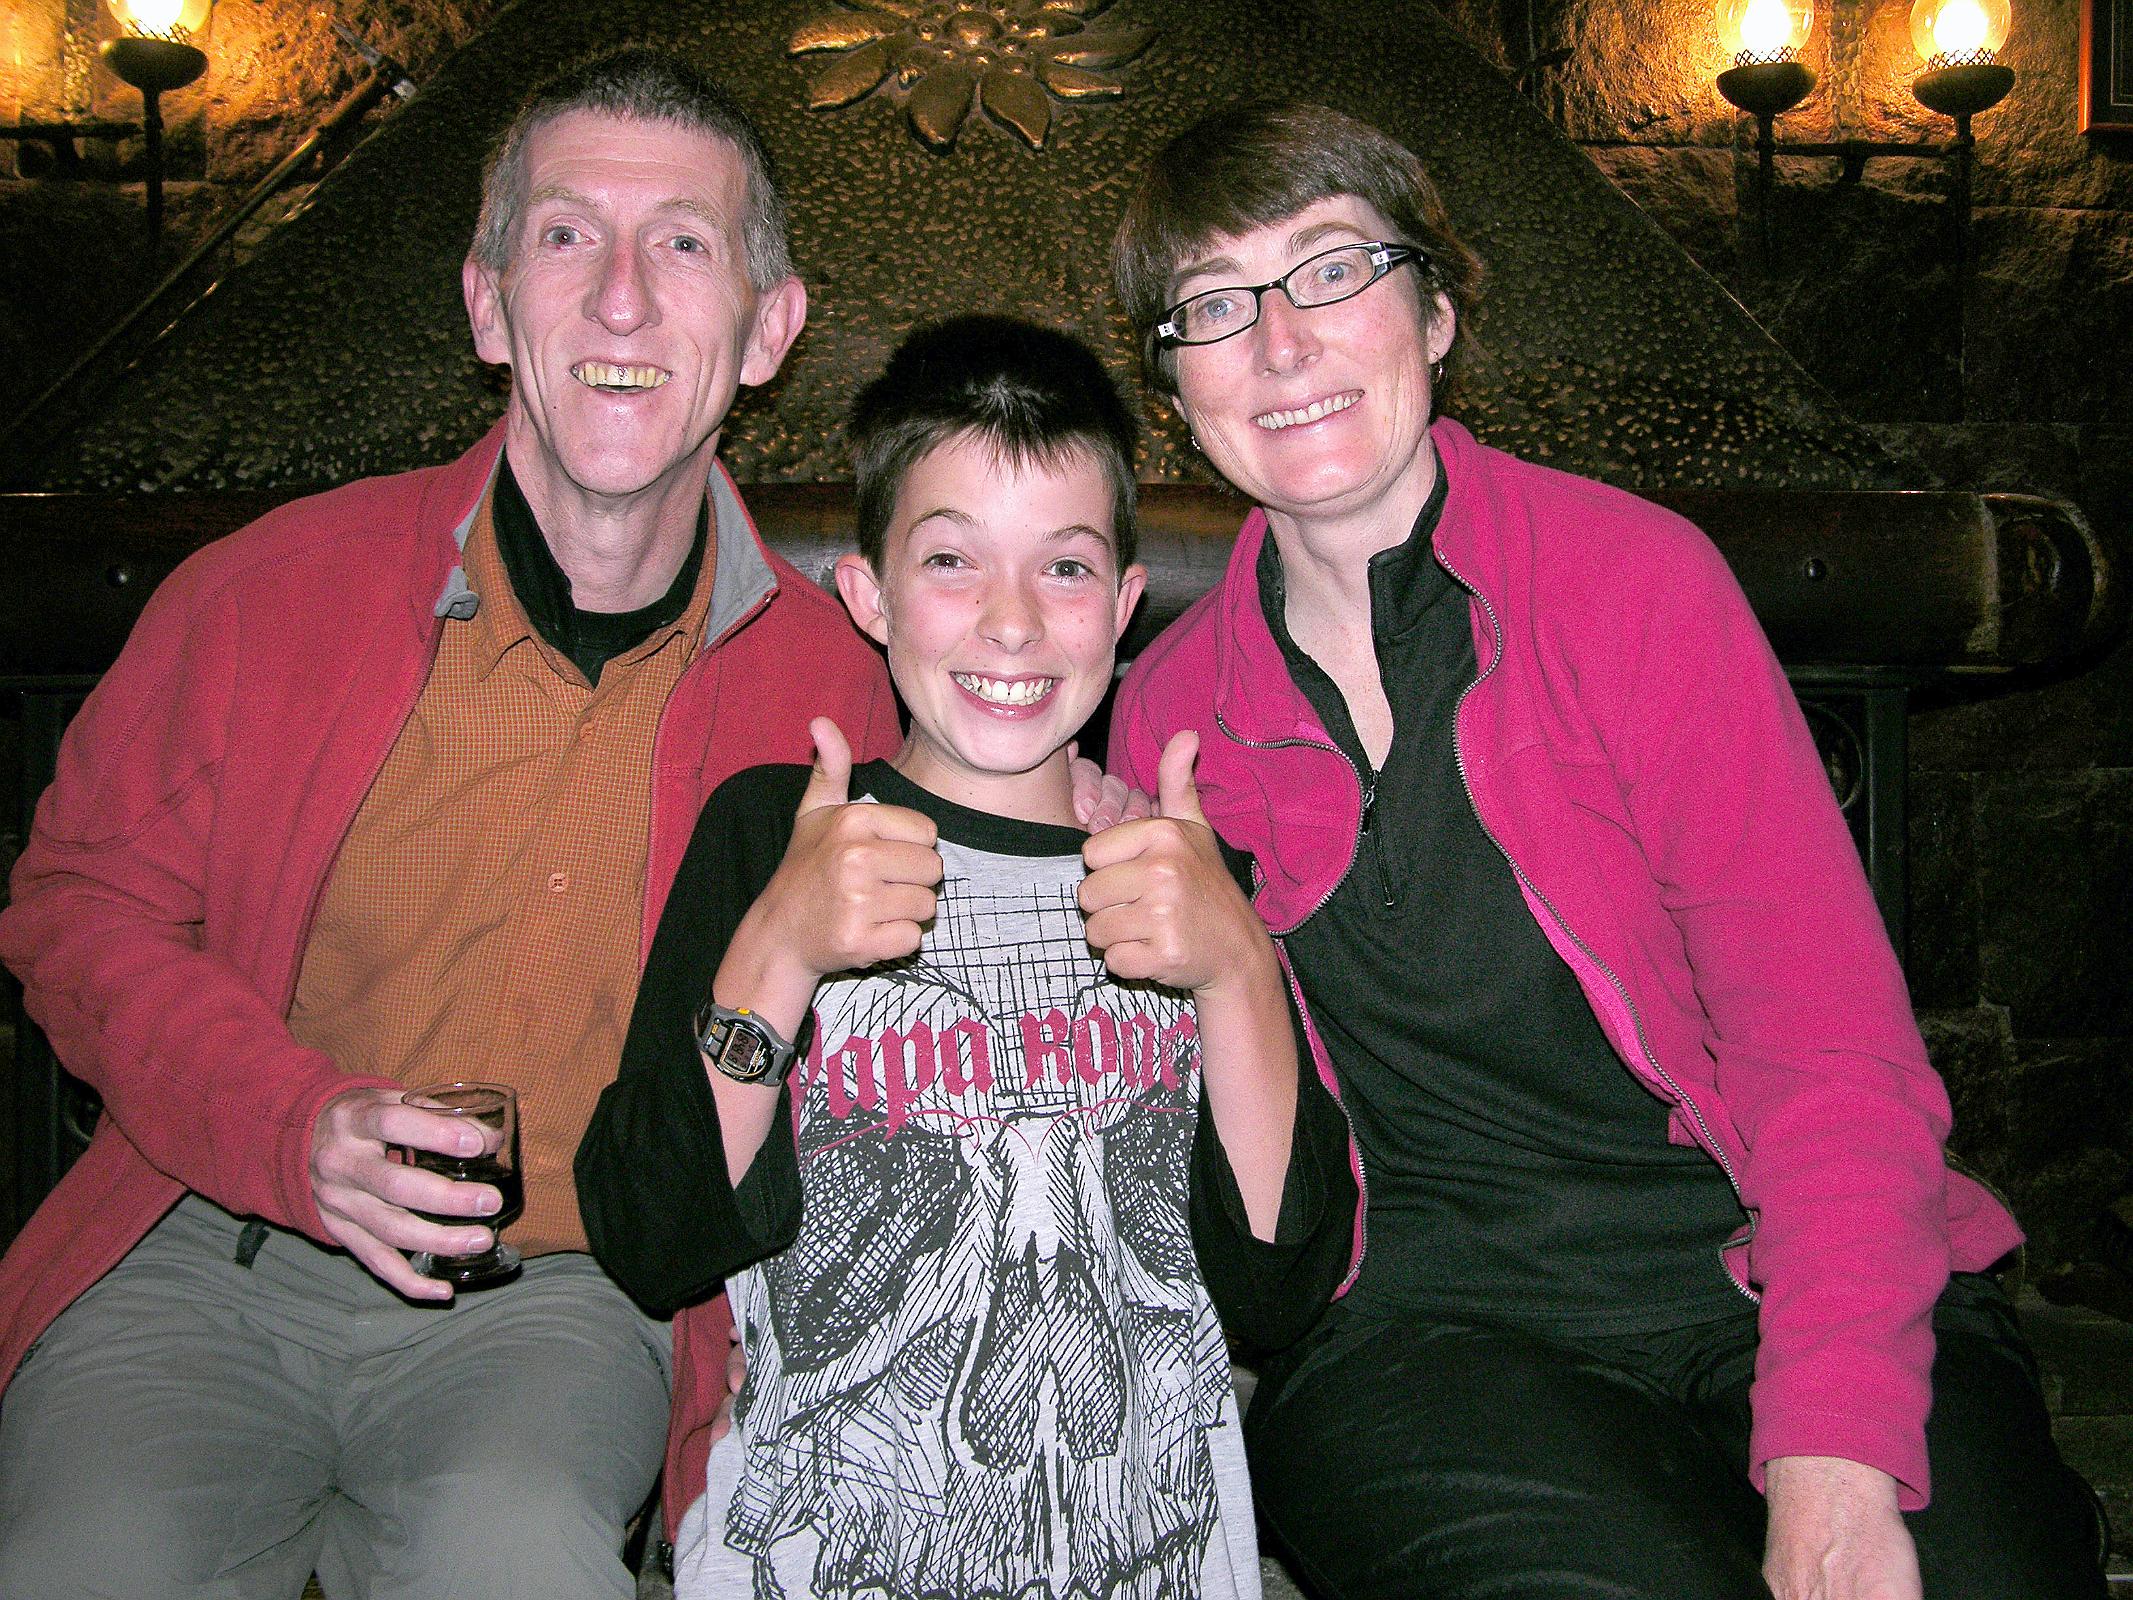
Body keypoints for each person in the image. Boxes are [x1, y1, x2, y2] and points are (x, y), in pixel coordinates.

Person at [1105, 102, 2104, 1600]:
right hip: (1430, 1337)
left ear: (1435, 313)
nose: (1279, 343)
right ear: (1177, 393)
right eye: (1213, 307)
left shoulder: (1634, 586)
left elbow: (1826, 1051)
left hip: (1774, 1273)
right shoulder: (1170, 720)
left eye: (1330, 269)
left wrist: (1832, 1453)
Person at [0, 49, 900, 1599]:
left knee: (524, 1559)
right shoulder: (262, 594)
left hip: (558, 1303)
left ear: (768, 331)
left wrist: (1064, 801)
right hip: (207, 1251)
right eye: (565, 236)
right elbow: (75, 909)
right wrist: (295, 1128)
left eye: (683, 244)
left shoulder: (832, 689)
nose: (621, 301)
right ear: (489, 304)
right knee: (91, 1560)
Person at [575, 315, 1357, 1600]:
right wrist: (775, 948)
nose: (1010, 624)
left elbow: (1283, 1289)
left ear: (1121, 604)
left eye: (1061, 570)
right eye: (952, 560)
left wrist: (1239, 974)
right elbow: (650, 1236)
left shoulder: (1187, 876)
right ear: (868, 593)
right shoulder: (775, 835)